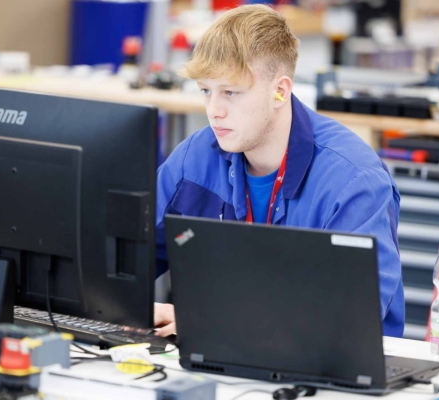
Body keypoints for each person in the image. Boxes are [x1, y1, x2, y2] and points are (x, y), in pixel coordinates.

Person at [154, 4, 404, 338]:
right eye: (206, 91)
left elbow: (351, 317)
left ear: (280, 91)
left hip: (331, 365)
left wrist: (214, 321)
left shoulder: (352, 181)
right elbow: (127, 256)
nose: (214, 111)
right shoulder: (195, 159)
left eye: (230, 92)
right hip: (220, 351)